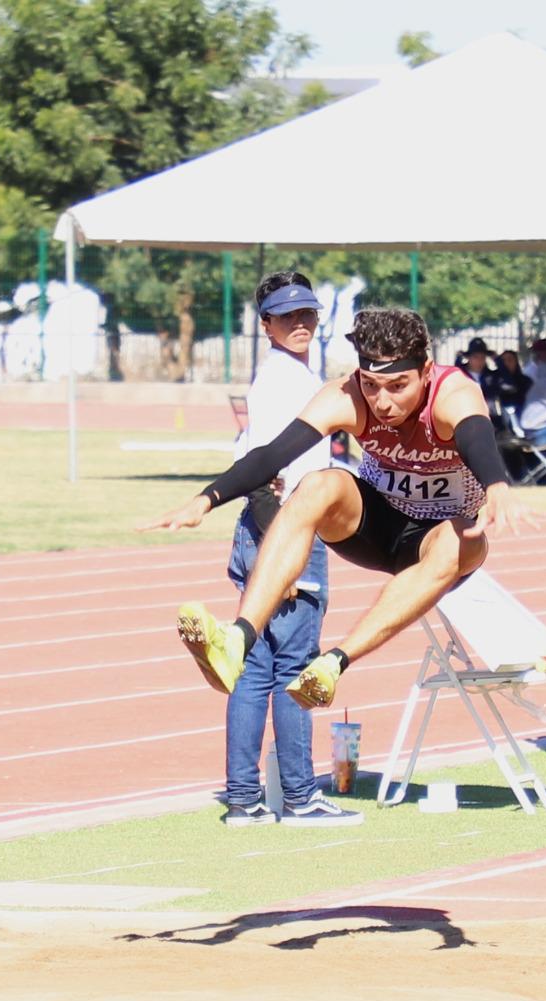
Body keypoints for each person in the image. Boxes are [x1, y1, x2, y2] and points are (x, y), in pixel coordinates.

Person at [143, 307, 530, 723]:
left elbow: (476, 434)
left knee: (465, 537)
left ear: (426, 371)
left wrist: (496, 485)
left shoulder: (452, 393)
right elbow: (273, 454)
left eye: (398, 386)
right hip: (375, 526)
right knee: (318, 483)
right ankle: (237, 640)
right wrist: (206, 499)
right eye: (372, 385)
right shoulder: (346, 396)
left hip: (439, 539)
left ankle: (333, 663)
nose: (382, 402)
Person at [212, 271, 345, 826]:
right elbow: (264, 466)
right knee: (295, 667)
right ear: (265, 323)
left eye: (308, 313)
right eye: (287, 315)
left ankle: (244, 798)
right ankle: (298, 796)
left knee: (253, 671)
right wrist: (278, 549)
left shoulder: (288, 375)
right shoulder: (282, 381)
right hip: (283, 528)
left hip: (268, 528)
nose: (301, 323)